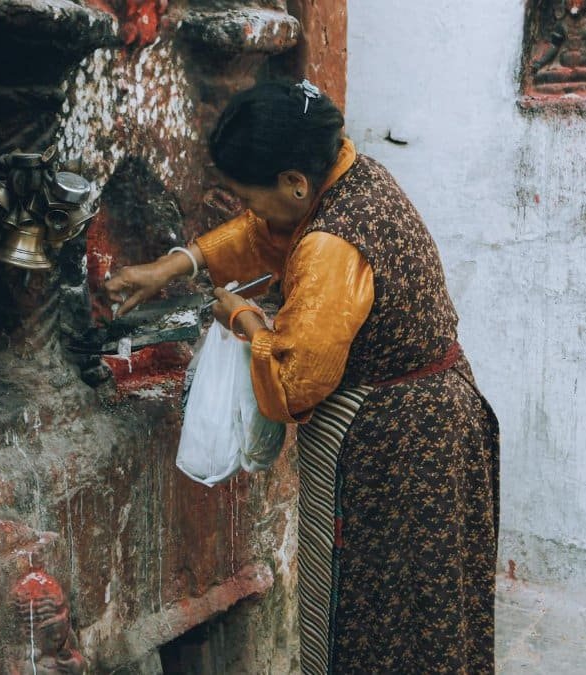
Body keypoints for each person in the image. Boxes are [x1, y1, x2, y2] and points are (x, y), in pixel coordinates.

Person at [104, 80, 499, 675]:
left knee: (381, 617)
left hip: (396, 450)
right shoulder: (350, 174)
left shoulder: (332, 243)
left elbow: (294, 381)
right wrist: (173, 265)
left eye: (251, 196)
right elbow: (264, 232)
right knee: (435, 611)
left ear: (294, 181)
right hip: (442, 420)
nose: (252, 212)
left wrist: (237, 314)